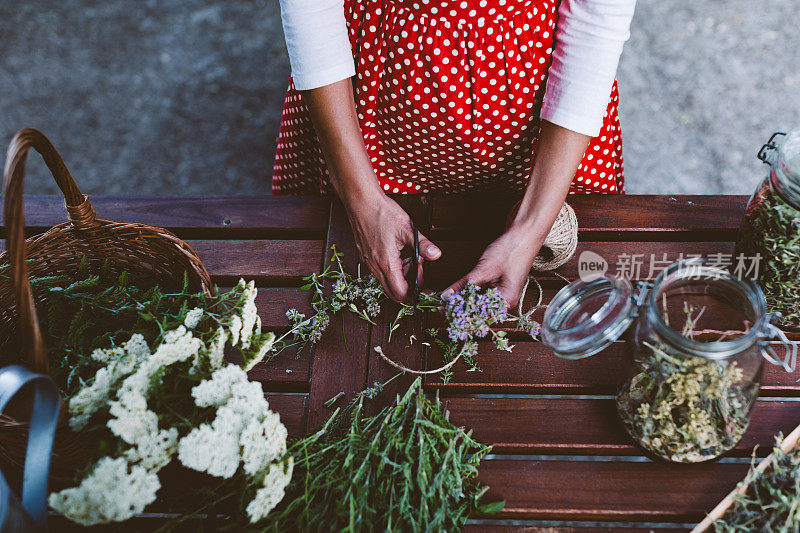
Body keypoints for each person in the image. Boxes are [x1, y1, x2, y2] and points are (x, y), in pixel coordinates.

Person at [275, 0, 636, 306]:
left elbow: (597, 19)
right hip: (371, 100)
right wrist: (361, 199)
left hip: (543, 118)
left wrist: (532, 225)